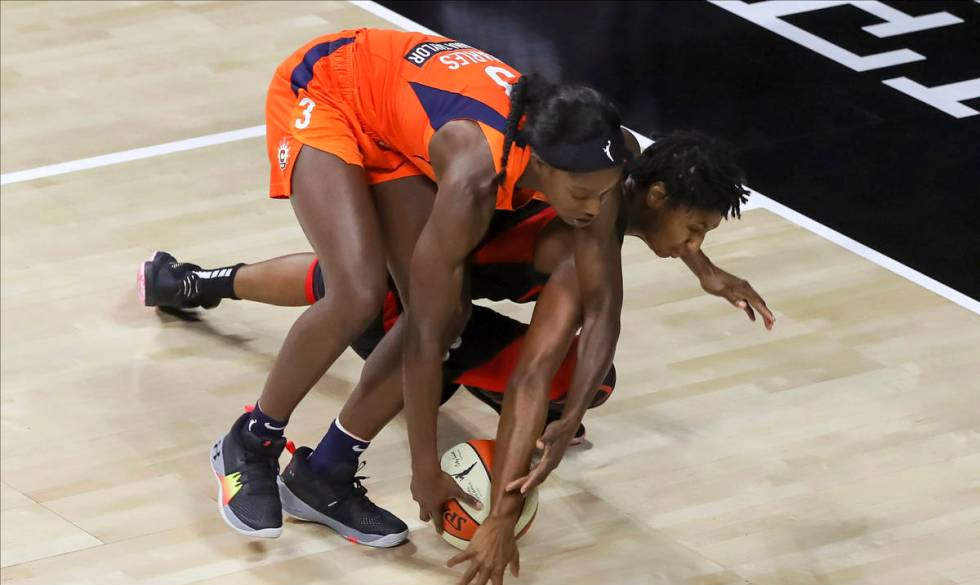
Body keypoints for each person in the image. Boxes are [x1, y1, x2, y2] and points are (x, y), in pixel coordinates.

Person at [143, 133, 773, 559]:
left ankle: (193, 280)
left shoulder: (610, 176)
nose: (693, 242)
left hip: (449, 284)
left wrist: (705, 269)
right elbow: (535, 369)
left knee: (583, 380)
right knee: (387, 301)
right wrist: (500, 511)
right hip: (426, 293)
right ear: (655, 196)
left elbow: (660, 234)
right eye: (694, 231)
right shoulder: (582, 225)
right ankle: (321, 470)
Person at [162, 27, 632, 539]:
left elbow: (603, 300)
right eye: (583, 193)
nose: (595, 207)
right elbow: (424, 339)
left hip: (394, 122)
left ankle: (327, 475)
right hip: (329, 91)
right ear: (540, 164)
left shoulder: (604, 156)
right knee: (359, 292)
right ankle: (250, 441)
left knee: (446, 311)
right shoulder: (476, 175)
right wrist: (424, 469)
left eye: (605, 195)